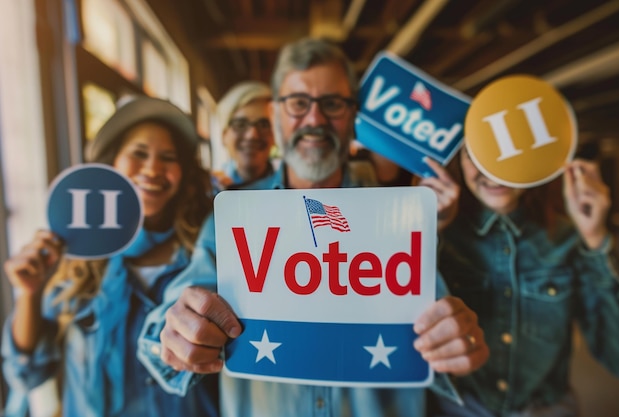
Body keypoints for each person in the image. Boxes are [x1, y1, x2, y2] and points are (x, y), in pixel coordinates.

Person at [136, 38, 489, 416]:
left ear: (353, 115)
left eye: (332, 104)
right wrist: (173, 334)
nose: (315, 120)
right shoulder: (233, 216)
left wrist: (456, 342)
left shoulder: (398, 215)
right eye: (298, 103)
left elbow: (440, 335)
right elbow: (165, 329)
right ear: (275, 114)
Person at [1, 96, 219, 416]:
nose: (152, 169)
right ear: (112, 164)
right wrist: (30, 293)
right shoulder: (77, 258)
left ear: (184, 173)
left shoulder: (206, 257)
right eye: (139, 153)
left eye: (168, 157)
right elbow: (27, 374)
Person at [430, 146, 619, 416]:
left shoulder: (569, 238)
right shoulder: (442, 238)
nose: (494, 171)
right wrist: (429, 231)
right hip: (460, 409)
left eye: (510, 150)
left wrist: (596, 239)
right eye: (478, 154)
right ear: (458, 161)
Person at [213, 81, 275, 190]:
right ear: (224, 135)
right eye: (240, 124)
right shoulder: (206, 194)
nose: (252, 135)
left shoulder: (291, 189)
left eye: (263, 125)